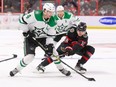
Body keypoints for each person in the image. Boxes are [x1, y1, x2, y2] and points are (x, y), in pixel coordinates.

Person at [9, 3, 71, 77]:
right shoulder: (35, 15)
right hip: (30, 38)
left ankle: (61, 69)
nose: (51, 14)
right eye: (49, 12)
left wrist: (50, 45)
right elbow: (22, 21)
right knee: (30, 57)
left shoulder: (52, 21)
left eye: (52, 12)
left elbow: (50, 36)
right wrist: (26, 32)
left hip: (43, 38)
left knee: (54, 53)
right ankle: (17, 69)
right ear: (44, 10)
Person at [36, 5, 80, 72]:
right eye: (58, 12)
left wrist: (78, 26)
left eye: (61, 11)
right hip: (58, 33)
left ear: (63, 11)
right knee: (53, 43)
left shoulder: (69, 15)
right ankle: (49, 52)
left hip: (67, 32)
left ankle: (73, 50)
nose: (60, 13)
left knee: (73, 41)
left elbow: (77, 20)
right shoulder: (53, 17)